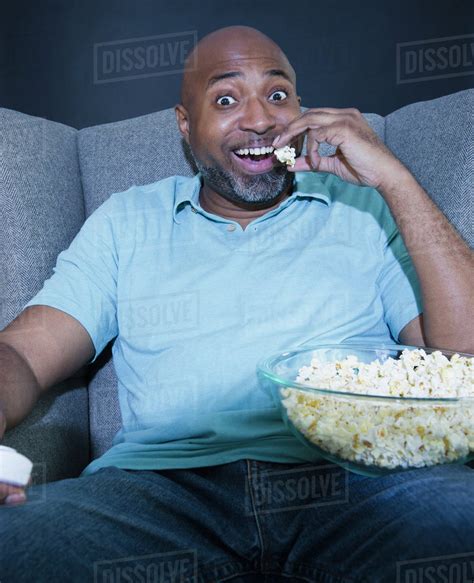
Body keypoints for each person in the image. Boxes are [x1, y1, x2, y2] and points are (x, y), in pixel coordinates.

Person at [0, 25, 473, 582]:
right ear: (185, 124)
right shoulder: (127, 220)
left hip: (363, 475)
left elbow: (461, 354)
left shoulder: (364, 207)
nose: (259, 119)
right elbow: (26, 354)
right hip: (159, 492)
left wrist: (394, 180)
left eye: (278, 95)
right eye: (226, 99)